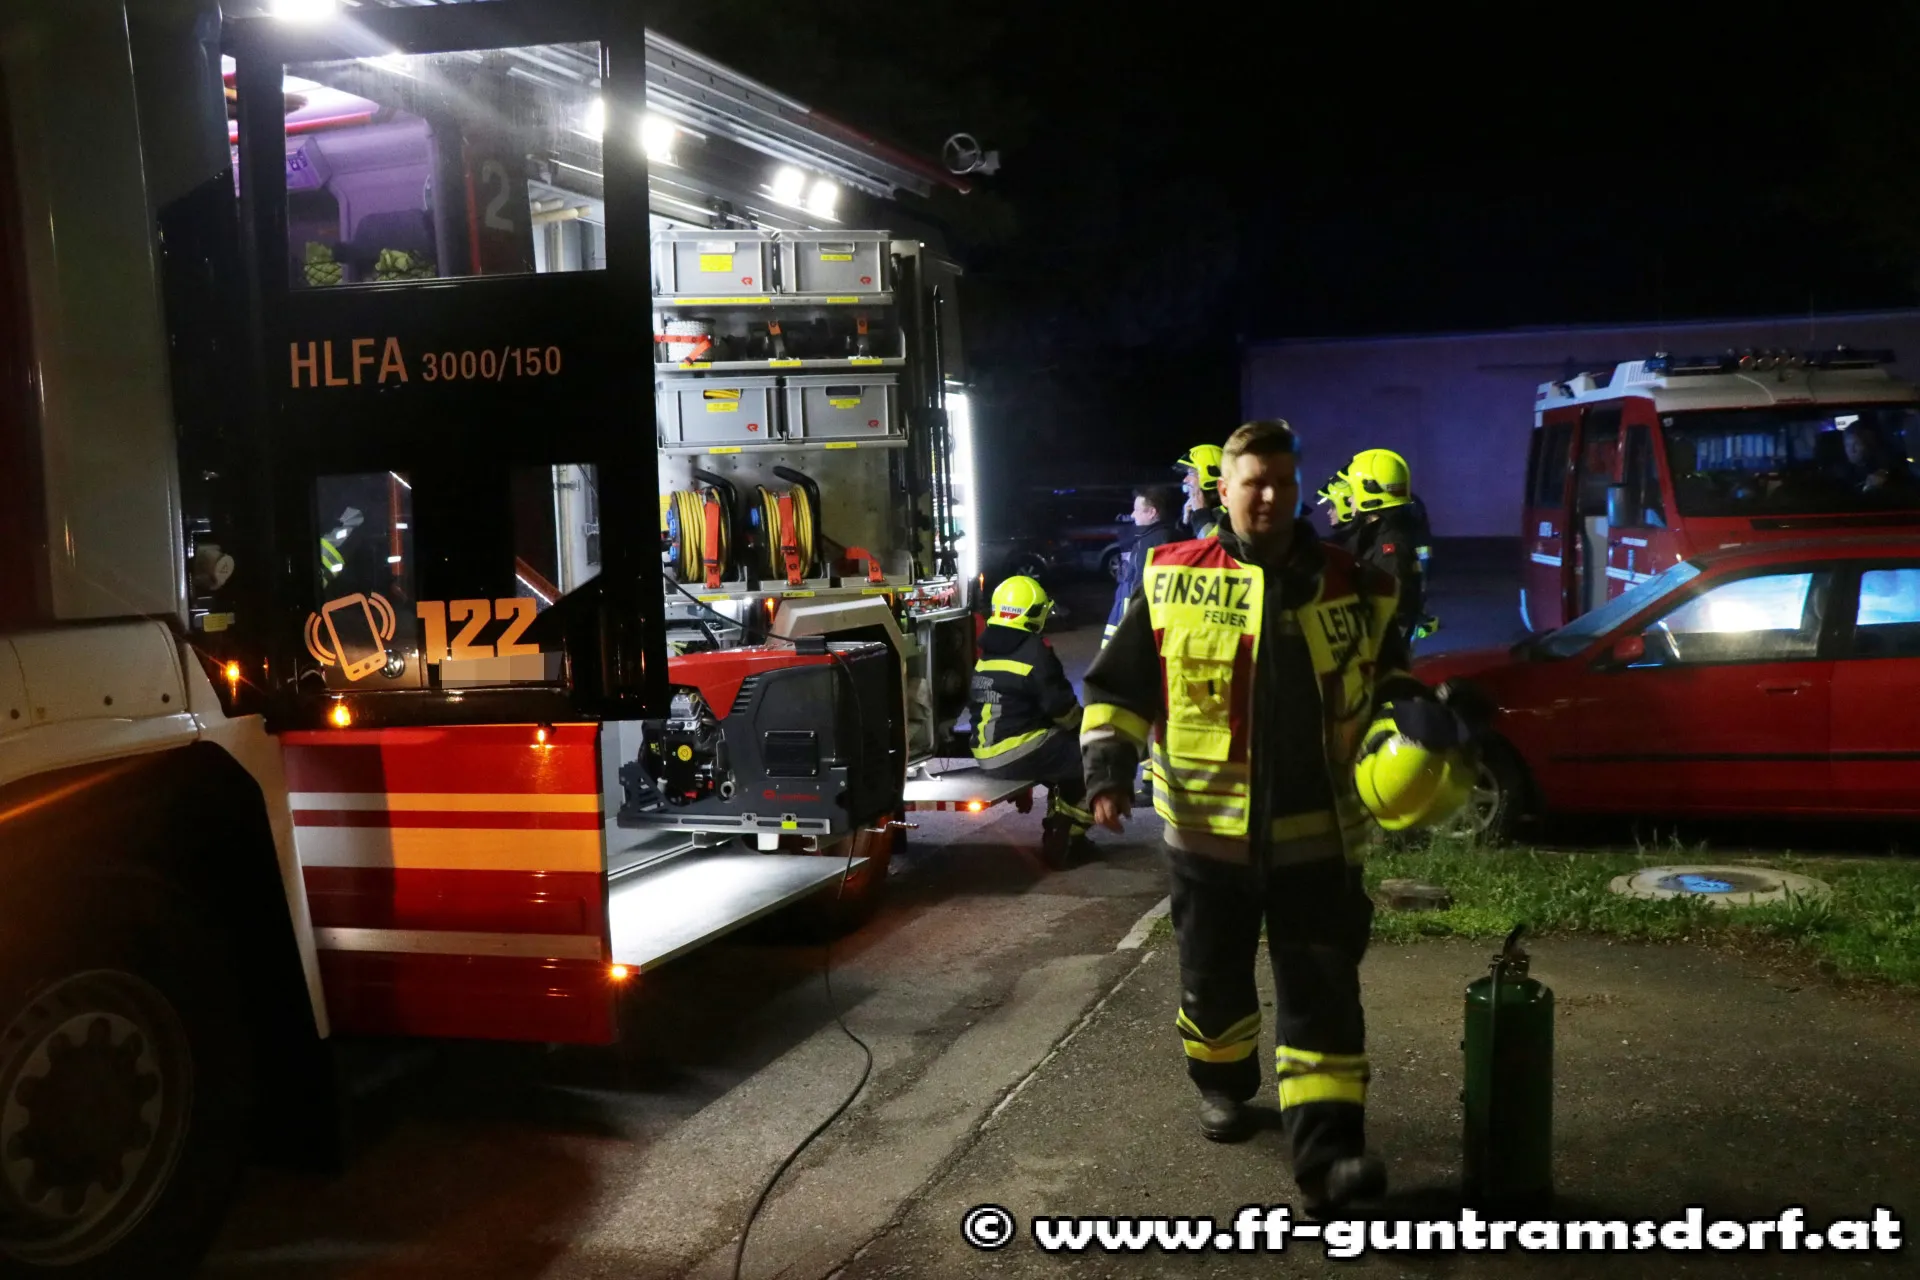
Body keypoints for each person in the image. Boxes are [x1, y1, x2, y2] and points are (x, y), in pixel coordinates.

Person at [1079, 419, 1476, 1218]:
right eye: (1253, 481)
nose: (1268, 496)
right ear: (1224, 489)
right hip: (1207, 839)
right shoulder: (1170, 576)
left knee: (1324, 1001)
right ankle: (1223, 1083)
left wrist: (1423, 724)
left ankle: (1330, 1161)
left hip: (1319, 837)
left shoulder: (1353, 584)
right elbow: (1120, 687)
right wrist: (1107, 774)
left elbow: (1388, 680)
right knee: (1214, 986)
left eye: (1283, 482)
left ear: (1299, 490)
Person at [969, 575, 1095, 868]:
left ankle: (1060, 819)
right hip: (1018, 748)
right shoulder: (1035, 651)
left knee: (1061, 753)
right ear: (1034, 613)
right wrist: (1089, 732)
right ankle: (1066, 836)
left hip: (988, 752)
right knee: (1096, 757)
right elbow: (1062, 709)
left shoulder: (988, 649)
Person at [1329, 449, 1436, 645]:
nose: (1350, 499)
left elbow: (1392, 609)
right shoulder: (1375, 534)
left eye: (1353, 492)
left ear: (1370, 493)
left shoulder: (1390, 546)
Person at [1104, 484, 1182, 646]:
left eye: (1137, 510)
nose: (1133, 515)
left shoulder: (1149, 543)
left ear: (1152, 512)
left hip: (1138, 626)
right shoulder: (1170, 536)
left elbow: (1139, 590)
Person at [1175, 444, 1225, 539]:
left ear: (1209, 476)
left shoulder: (1229, 513)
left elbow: (1214, 546)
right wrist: (1185, 525)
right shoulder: (1200, 512)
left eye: (1191, 473)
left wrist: (1202, 515)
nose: (1185, 480)